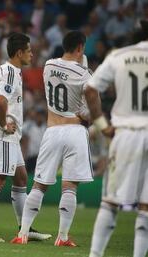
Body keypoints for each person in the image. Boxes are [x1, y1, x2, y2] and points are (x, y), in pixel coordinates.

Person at [12, 31, 93, 246]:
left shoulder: (49, 65)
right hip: (74, 130)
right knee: (69, 186)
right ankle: (63, 237)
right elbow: (87, 112)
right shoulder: (85, 74)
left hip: (52, 129)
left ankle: (23, 234)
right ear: (80, 47)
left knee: (39, 184)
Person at [0, 32, 51, 242]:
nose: (32, 54)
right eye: (29, 50)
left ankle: (25, 227)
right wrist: (2, 124)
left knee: (21, 177)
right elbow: (0, 101)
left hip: (10, 135)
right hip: (3, 134)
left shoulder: (12, 71)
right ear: (19, 52)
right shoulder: (8, 72)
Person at [85, 21, 148, 257]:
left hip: (126, 134)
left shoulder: (119, 55)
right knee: (146, 209)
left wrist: (102, 125)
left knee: (110, 203)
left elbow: (90, 90)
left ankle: (95, 254)